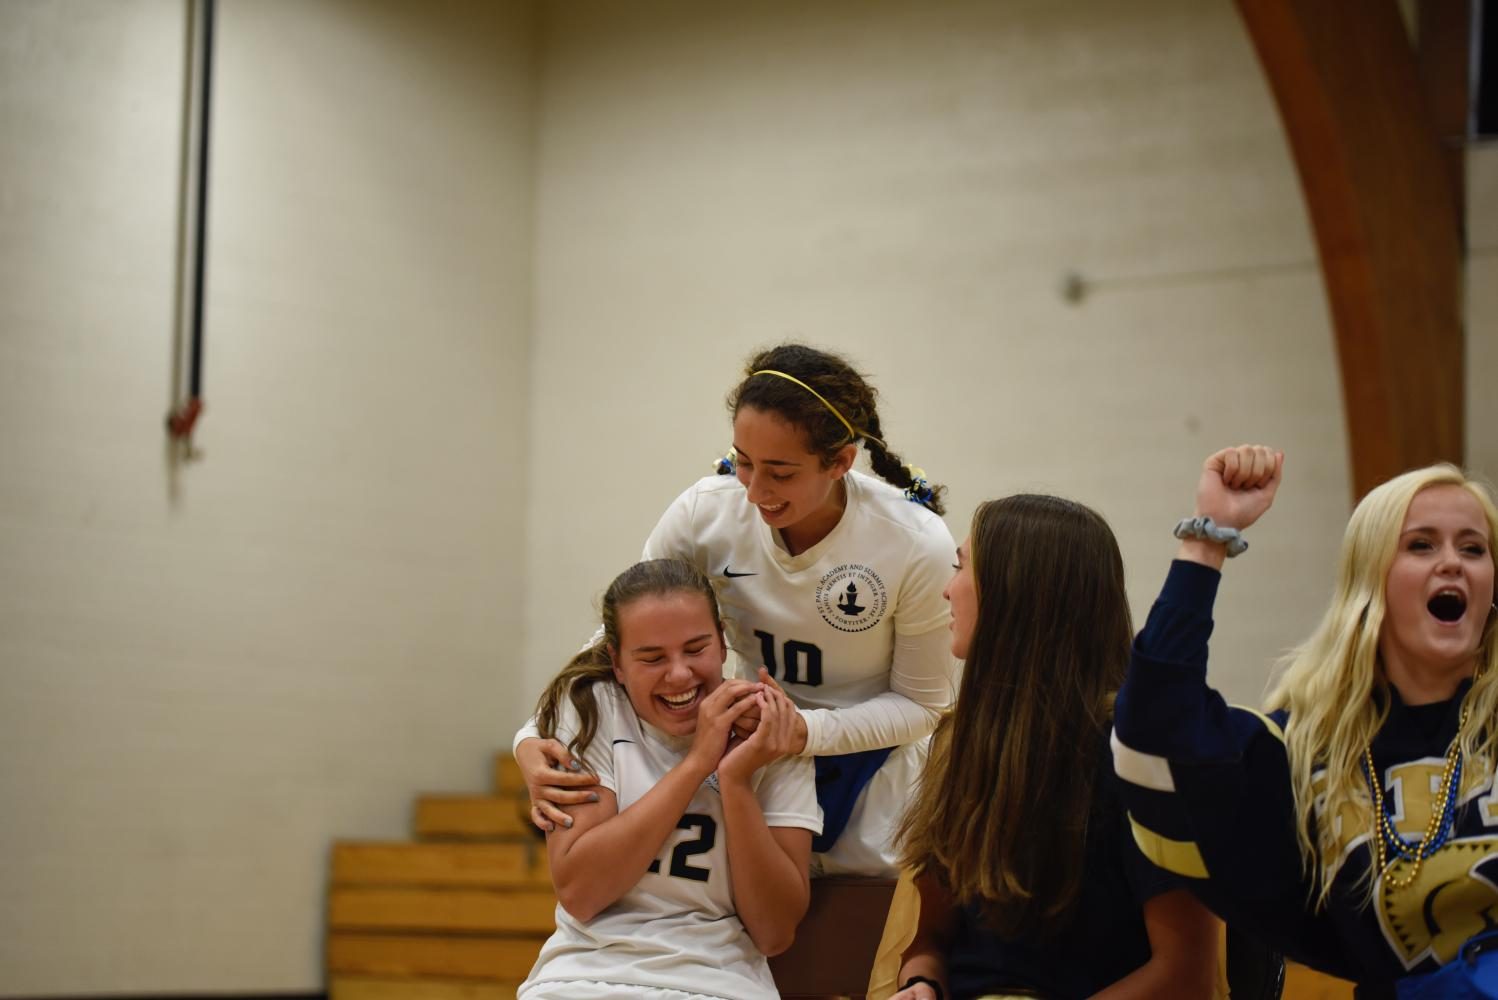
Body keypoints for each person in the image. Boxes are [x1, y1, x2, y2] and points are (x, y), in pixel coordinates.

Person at [516, 343, 957, 876]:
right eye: (743, 462)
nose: (753, 492)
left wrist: (805, 732)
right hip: (750, 757)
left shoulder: (914, 542)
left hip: (872, 771)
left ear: (840, 462)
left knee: (849, 946)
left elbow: (923, 705)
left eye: (780, 472)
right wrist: (533, 736)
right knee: (756, 942)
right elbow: (623, 638)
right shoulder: (706, 511)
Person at [1112, 446, 1498, 996]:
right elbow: (1152, 743)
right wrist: (1208, 538)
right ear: (1371, 582)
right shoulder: (1302, 752)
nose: (1452, 562)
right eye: (1420, 545)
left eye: (1473, 548)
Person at [890, 494, 1220, 1000]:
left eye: (961, 568)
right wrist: (921, 981)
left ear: (1017, 595)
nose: (946, 590)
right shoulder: (958, 741)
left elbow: (1188, 978)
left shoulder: (1137, 755)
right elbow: (931, 938)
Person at [517, 558, 820, 1000]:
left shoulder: (773, 730)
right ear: (618, 665)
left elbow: (774, 933)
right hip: (579, 979)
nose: (679, 674)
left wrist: (734, 782)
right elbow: (582, 892)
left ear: (722, 643)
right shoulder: (592, 708)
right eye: (652, 658)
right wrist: (698, 762)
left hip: (718, 984)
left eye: (696, 649)